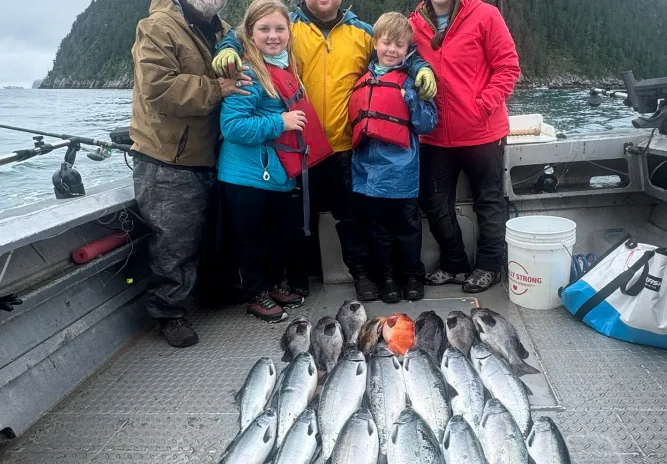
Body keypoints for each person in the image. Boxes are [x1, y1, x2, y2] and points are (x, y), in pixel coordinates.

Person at [212, 0, 438, 302]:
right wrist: (227, 47)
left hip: (345, 144)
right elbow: (246, 33)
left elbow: (396, 51)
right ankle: (295, 280)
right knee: (294, 219)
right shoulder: (287, 26)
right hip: (299, 145)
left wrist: (422, 68)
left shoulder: (363, 33)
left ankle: (363, 274)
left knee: (351, 218)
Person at [129, 0, 250, 348]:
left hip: (213, 152)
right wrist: (218, 88)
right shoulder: (157, 27)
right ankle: (168, 313)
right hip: (168, 155)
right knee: (174, 239)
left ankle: (214, 291)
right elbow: (159, 88)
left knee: (212, 231)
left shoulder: (223, 32)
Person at [217, 0, 333, 322]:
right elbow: (232, 127)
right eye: (264, 29)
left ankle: (271, 286)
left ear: (289, 32)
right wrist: (279, 122)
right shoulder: (247, 73)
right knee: (251, 240)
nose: (273, 36)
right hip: (245, 176)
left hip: (277, 174)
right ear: (249, 33)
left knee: (277, 236)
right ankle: (255, 294)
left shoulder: (286, 68)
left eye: (279, 28)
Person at [410, 0, 520, 293]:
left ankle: (489, 266)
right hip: (434, 135)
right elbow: (405, 61)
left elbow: (508, 68)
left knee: (489, 200)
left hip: (482, 132)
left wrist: (482, 107)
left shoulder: (485, 14)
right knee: (433, 202)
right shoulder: (415, 21)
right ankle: (454, 264)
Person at [349, 12, 437, 303]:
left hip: (402, 173)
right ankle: (387, 278)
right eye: (387, 43)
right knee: (378, 232)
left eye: (399, 45)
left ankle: (412, 275)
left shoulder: (413, 81)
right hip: (367, 173)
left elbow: (426, 124)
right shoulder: (361, 80)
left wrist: (411, 96)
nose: (391, 50)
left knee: (408, 230)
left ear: (408, 49)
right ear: (375, 43)